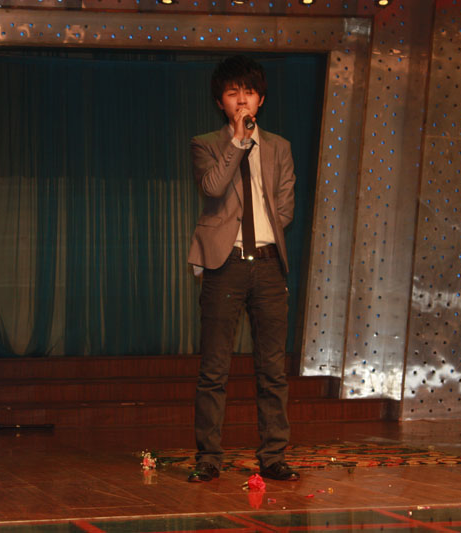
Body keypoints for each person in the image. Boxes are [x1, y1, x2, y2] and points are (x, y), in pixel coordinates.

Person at [187, 55, 299, 483]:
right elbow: (213, 187)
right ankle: (208, 457)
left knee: (272, 369)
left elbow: (284, 208)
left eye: (249, 92)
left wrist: (265, 234)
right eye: (233, 93)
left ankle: (273, 456)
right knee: (214, 369)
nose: (242, 100)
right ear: (221, 101)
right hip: (225, 264)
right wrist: (237, 142)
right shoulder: (206, 144)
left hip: (268, 265)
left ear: (261, 99)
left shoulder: (280, 147)